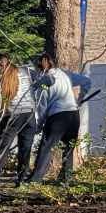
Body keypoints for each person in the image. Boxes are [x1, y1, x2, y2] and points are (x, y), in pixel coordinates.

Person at [28, 52, 84, 184]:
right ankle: (66, 178)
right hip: (74, 114)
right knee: (69, 148)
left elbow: (42, 106)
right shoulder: (64, 74)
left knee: (46, 147)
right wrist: (81, 98)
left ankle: (36, 179)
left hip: (58, 116)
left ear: (43, 64)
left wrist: (39, 125)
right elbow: (87, 81)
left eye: (38, 68)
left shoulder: (45, 80)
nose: (37, 72)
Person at [0, 55, 37, 184]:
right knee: (25, 148)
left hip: (11, 116)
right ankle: (21, 179)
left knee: (3, 148)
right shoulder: (26, 71)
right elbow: (41, 81)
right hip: (29, 114)